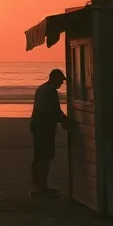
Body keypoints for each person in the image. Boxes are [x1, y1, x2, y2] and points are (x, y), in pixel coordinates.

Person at [29, 68, 74, 196]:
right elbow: (52, 110)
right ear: (54, 78)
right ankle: (41, 187)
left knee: (39, 157)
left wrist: (62, 118)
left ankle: (37, 186)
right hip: (44, 128)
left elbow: (53, 110)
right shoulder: (50, 91)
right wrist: (64, 121)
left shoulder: (42, 89)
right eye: (61, 80)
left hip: (38, 126)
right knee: (45, 157)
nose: (62, 83)